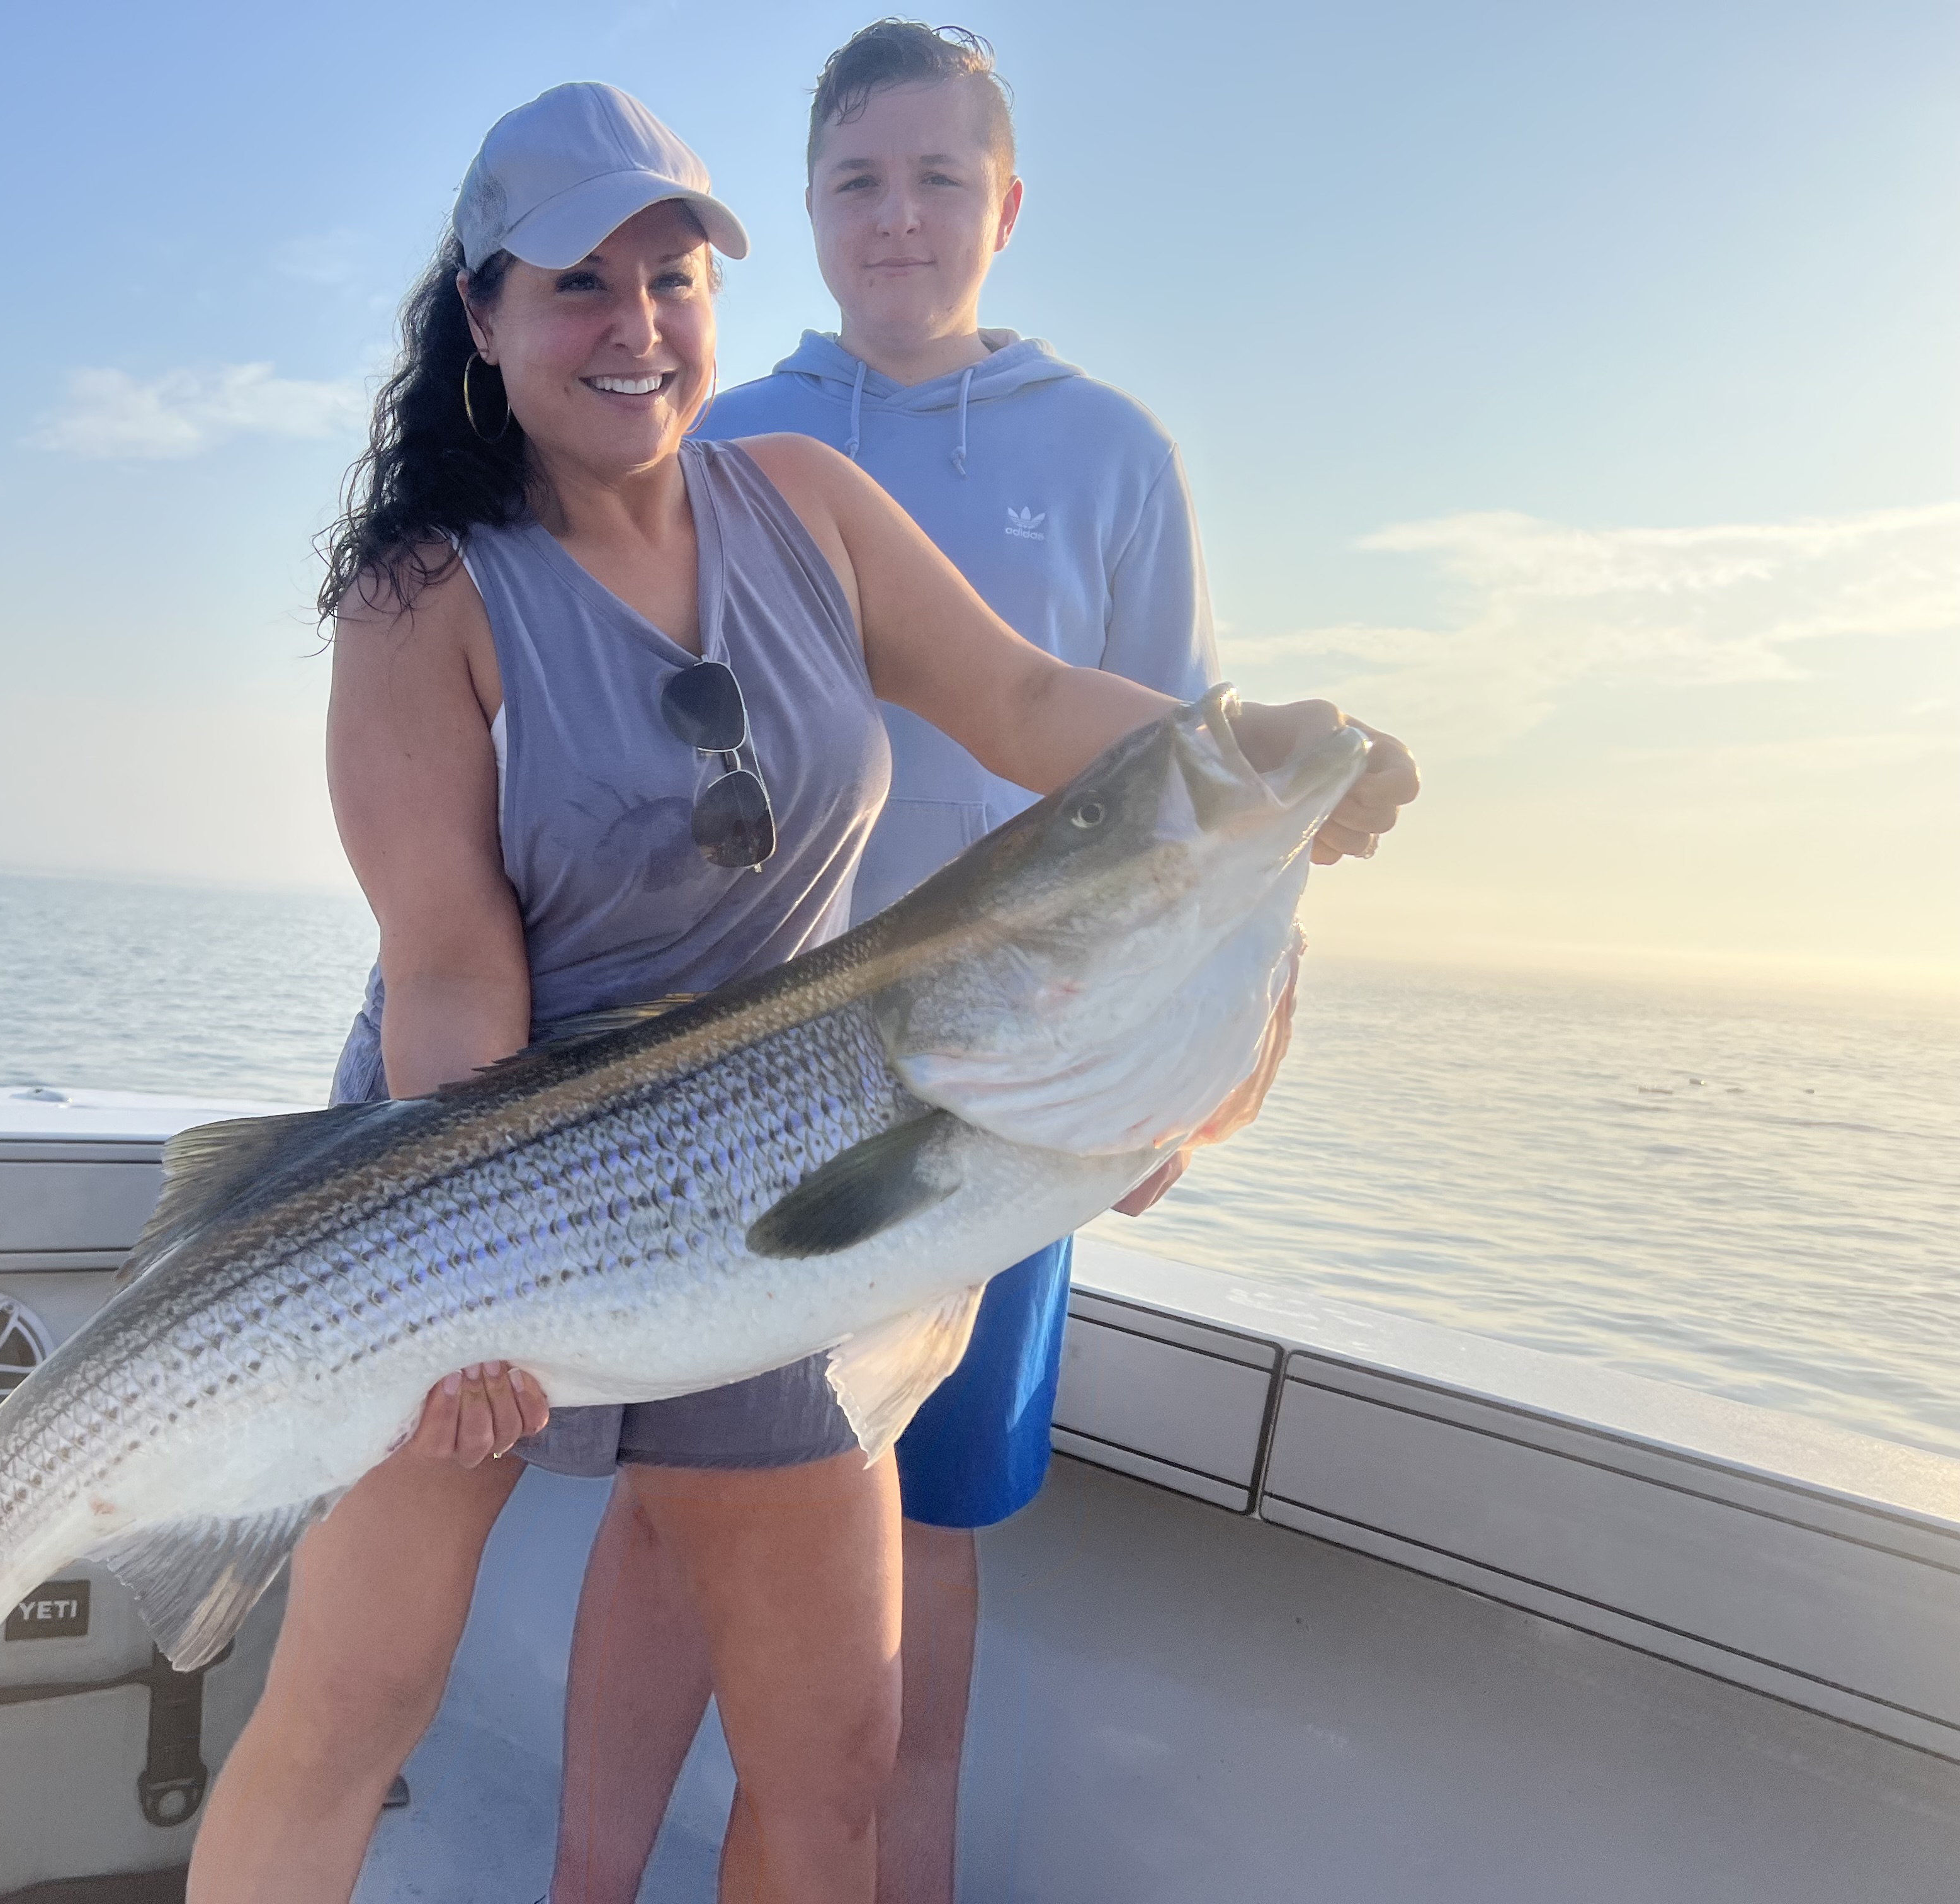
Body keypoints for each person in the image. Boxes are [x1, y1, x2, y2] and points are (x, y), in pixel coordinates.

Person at [186, 79, 1417, 1904]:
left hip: (787, 1148)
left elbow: (1017, 703)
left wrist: (1248, 756)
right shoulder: (419, 599)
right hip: (463, 1174)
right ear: (483, 317)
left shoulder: (808, 506)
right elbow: (451, 975)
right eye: (576, 286)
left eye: (673, 278)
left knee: (834, 1770)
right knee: (345, 1715)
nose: (635, 328)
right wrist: (459, 1313)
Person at [548, 25, 1280, 1904]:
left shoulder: (1115, 456)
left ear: (1006, 205)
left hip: (1012, 1086)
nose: (898, 217)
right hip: (734, 1080)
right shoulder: (724, 442)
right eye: (859, 181)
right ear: (804, 212)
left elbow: (1197, 794)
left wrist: (1228, 1059)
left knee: (930, 1529)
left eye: (939, 178)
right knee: (659, 1520)